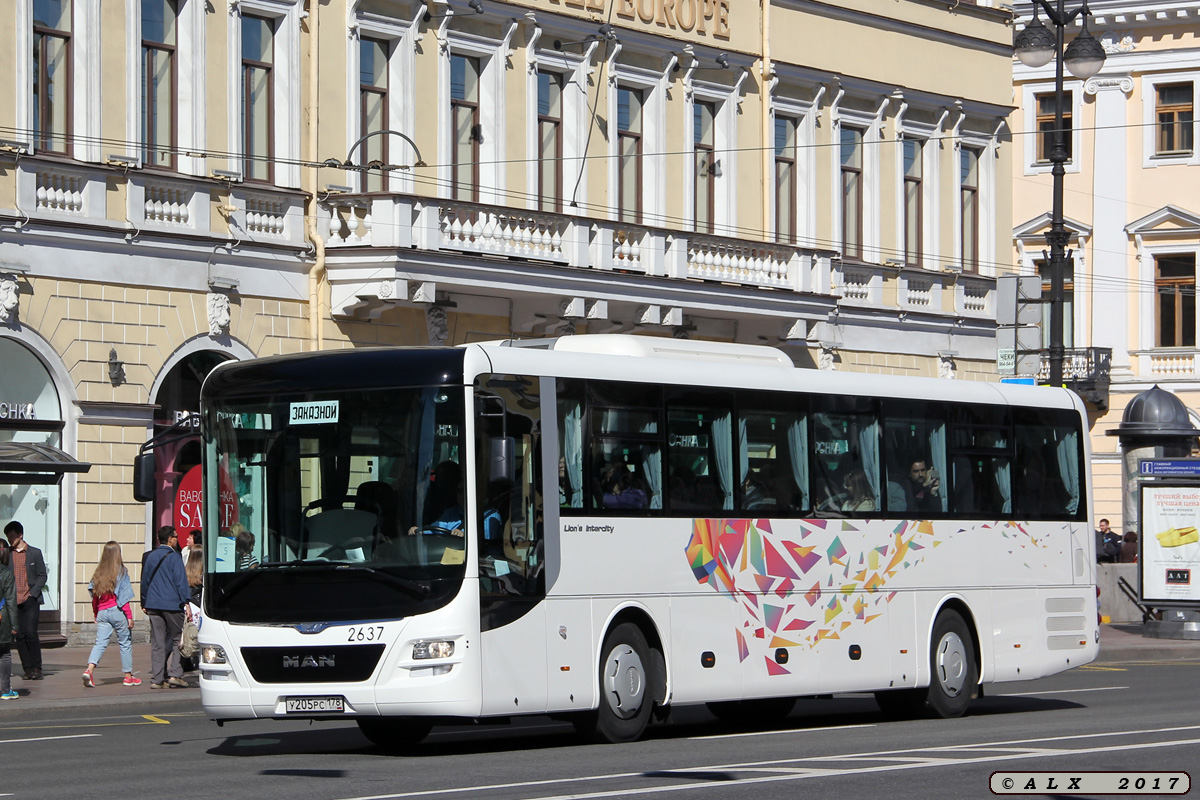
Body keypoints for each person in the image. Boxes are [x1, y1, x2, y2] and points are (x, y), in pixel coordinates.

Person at [83, 541, 140, 688]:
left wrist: (96, 613)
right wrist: (129, 616)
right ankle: (128, 676)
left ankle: (89, 670)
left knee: (100, 643)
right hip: (117, 611)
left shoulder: (98, 573)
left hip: (102, 612)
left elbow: (95, 596)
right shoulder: (121, 571)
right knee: (125, 643)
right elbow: (124, 596)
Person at [142, 526, 191, 689]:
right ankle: (175, 674)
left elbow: (145, 581)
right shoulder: (175, 557)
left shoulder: (151, 556)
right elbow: (180, 581)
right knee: (178, 639)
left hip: (153, 604)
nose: (178, 540)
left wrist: (144, 602)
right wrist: (186, 602)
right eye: (176, 537)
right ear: (170, 539)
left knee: (157, 642)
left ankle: (156, 679)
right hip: (172, 604)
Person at [3, 521, 47, 681]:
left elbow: (42, 575)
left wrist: (33, 593)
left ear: (20, 535)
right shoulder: (7, 554)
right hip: (13, 601)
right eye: (8, 537)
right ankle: (27, 669)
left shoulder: (34, 553)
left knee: (31, 633)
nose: (10, 539)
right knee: (19, 635)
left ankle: (37, 668)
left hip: (30, 600)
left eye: (12, 536)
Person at [409, 460, 466, 537]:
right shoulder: (450, 513)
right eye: (458, 491)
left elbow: (484, 538)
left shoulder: (484, 515)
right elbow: (436, 527)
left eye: (464, 491)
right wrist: (419, 530)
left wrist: (465, 536)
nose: (461, 495)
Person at [0, 539, 18, 700]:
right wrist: (14, 624)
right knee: (4, 653)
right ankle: (5, 689)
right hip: (2, 617)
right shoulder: (6, 573)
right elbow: (11, 600)